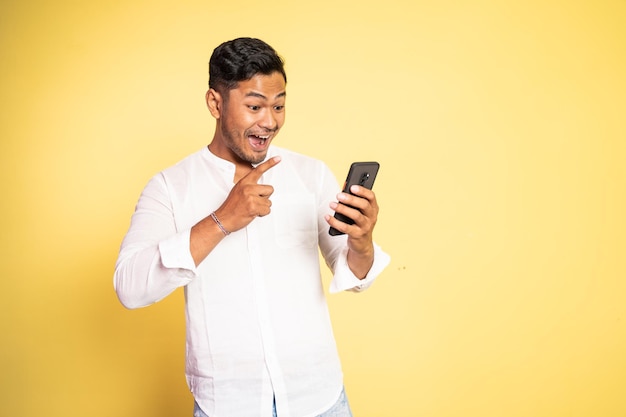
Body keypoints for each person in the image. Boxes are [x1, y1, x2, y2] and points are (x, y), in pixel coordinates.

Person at [114, 37, 390, 417]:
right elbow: (129, 287)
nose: (270, 121)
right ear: (215, 103)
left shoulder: (310, 174)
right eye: (255, 106)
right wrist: (222, 219)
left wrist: (362, 241)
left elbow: (355, 274)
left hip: (319, 399)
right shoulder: (170, 187)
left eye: (279, 106)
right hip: (227, 405)